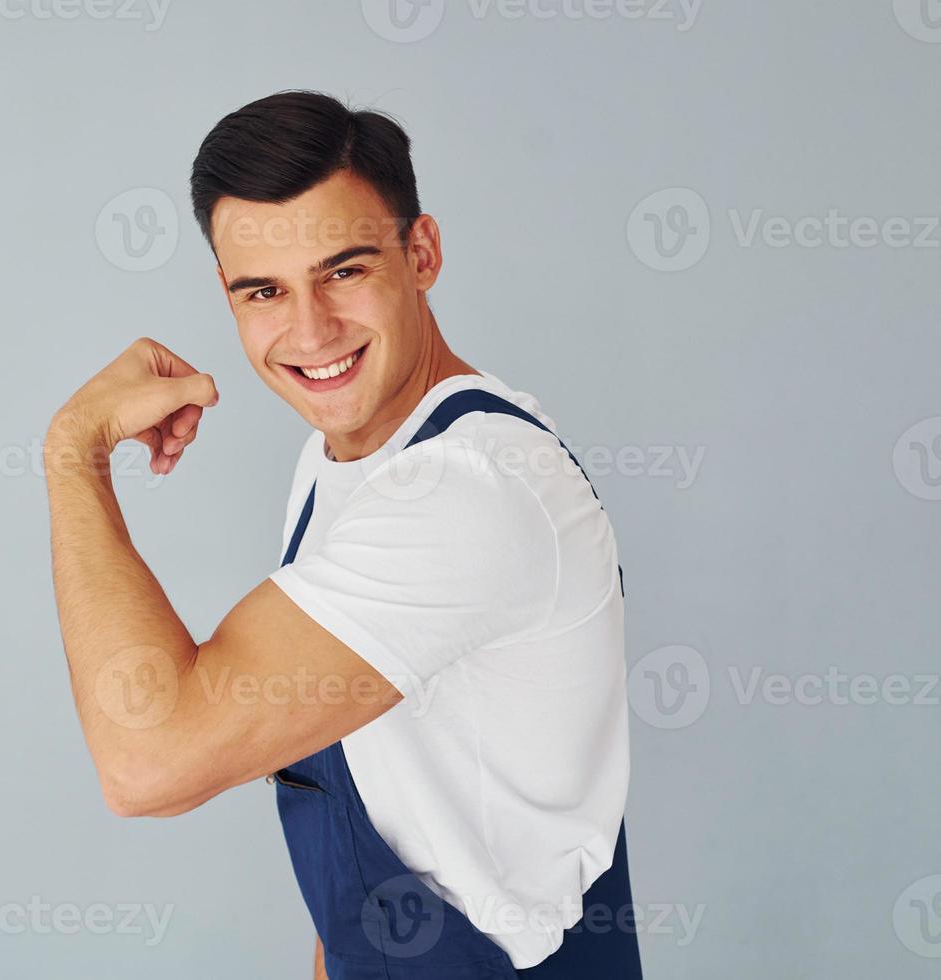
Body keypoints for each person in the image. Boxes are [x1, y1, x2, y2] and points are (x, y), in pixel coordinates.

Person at [43, 90, 641, 979]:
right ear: (227, 295)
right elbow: (373, 767)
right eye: (265, 291)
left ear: (422, 252)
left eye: (345, 270)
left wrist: (72, 455)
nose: (311, 330)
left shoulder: (466, 493)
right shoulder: (351, 455)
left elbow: (146, 762)